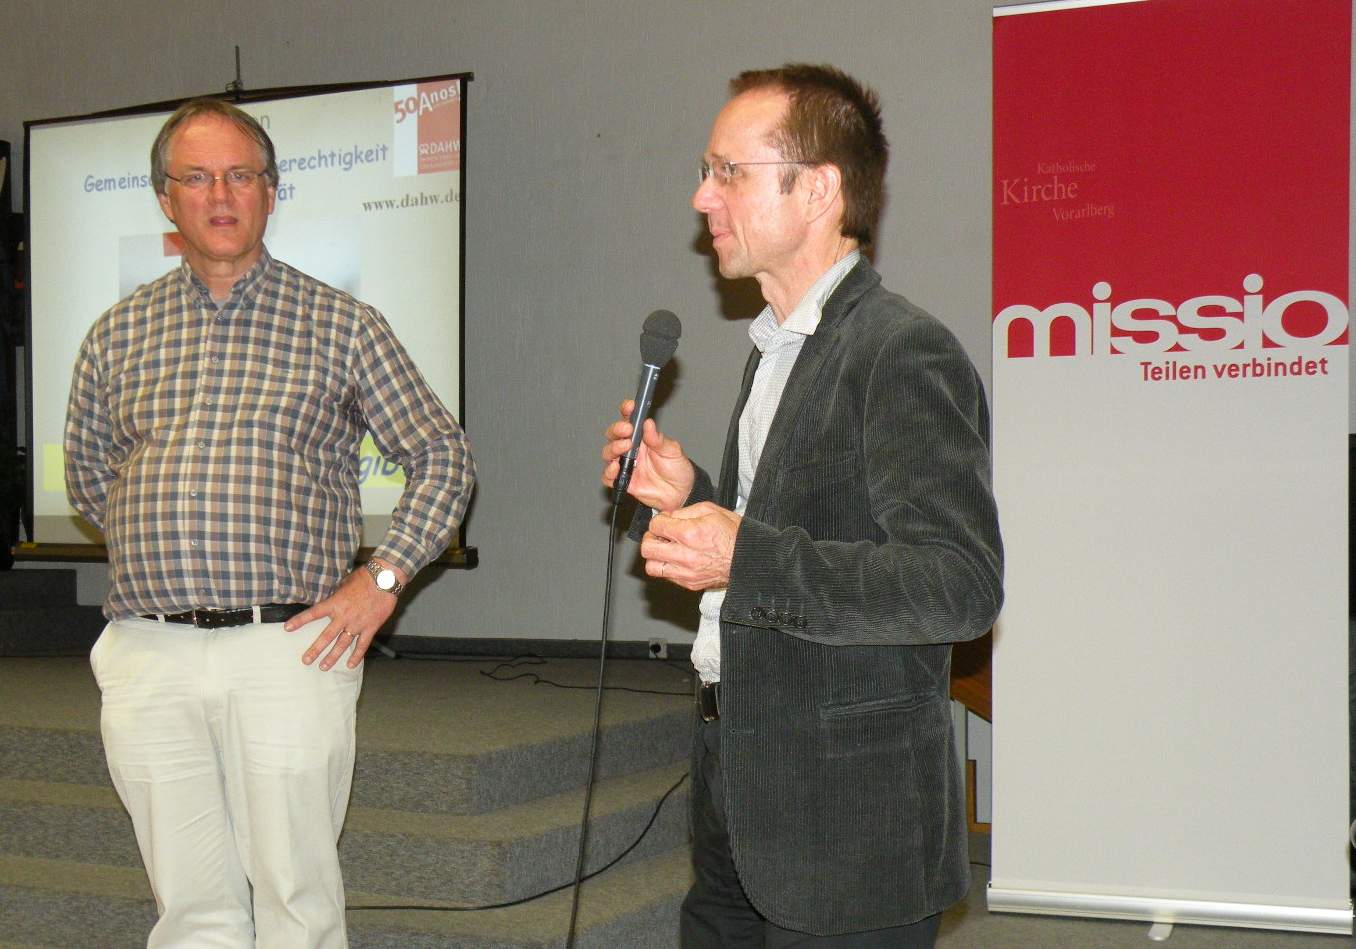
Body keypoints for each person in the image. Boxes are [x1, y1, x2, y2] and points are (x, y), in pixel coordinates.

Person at [601, 64, 1002, 947]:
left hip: (846, 824)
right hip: (739, 786)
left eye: (728, 171)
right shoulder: (776, 347)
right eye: (706, 171)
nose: (702, 196)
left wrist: (739, 552)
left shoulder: (902, 350)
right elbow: (795, 531)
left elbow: (958, 584)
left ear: (817, 190)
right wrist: (690, 497)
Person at [64, 98, 474, 948]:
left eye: (240, 175)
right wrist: (164, 544)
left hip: (288, 647)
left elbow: (443, 456)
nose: (220, 195)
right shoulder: (116, 334)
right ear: (165, 199)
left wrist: (382, 579)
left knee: (297, 899)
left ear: (271, 191)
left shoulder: (342, 323)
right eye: (196, 178)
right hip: (149, 651)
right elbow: (92, 480)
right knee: (189, 907)